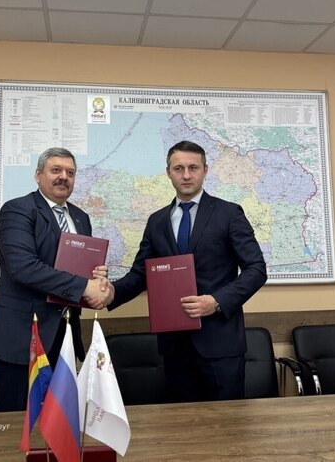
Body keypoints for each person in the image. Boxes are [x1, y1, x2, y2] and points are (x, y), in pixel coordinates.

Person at [107, 140, 267, 402]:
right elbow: (140, 274)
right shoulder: (157, 221)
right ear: (168, 173)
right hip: (175, 347)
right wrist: (110, 292)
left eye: (193, 168)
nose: (186, 175)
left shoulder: (228, 213)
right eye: (178, 168)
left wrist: (216, 301)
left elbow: (256, 269)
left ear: (205, 170)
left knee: (228, 422)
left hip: (220, 345)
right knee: (181, 422)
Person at [0, 147, 111, 412]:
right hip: (22, 338)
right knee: (16, 421)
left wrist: (98, 282)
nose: (64, 177)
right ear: (38, 175)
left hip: (65, 338)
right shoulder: (18, 210)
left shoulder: (81, 217)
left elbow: (80, 271)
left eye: (70, 172)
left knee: (59, 421)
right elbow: (23, 268)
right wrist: (85, 286)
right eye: (56, 170)